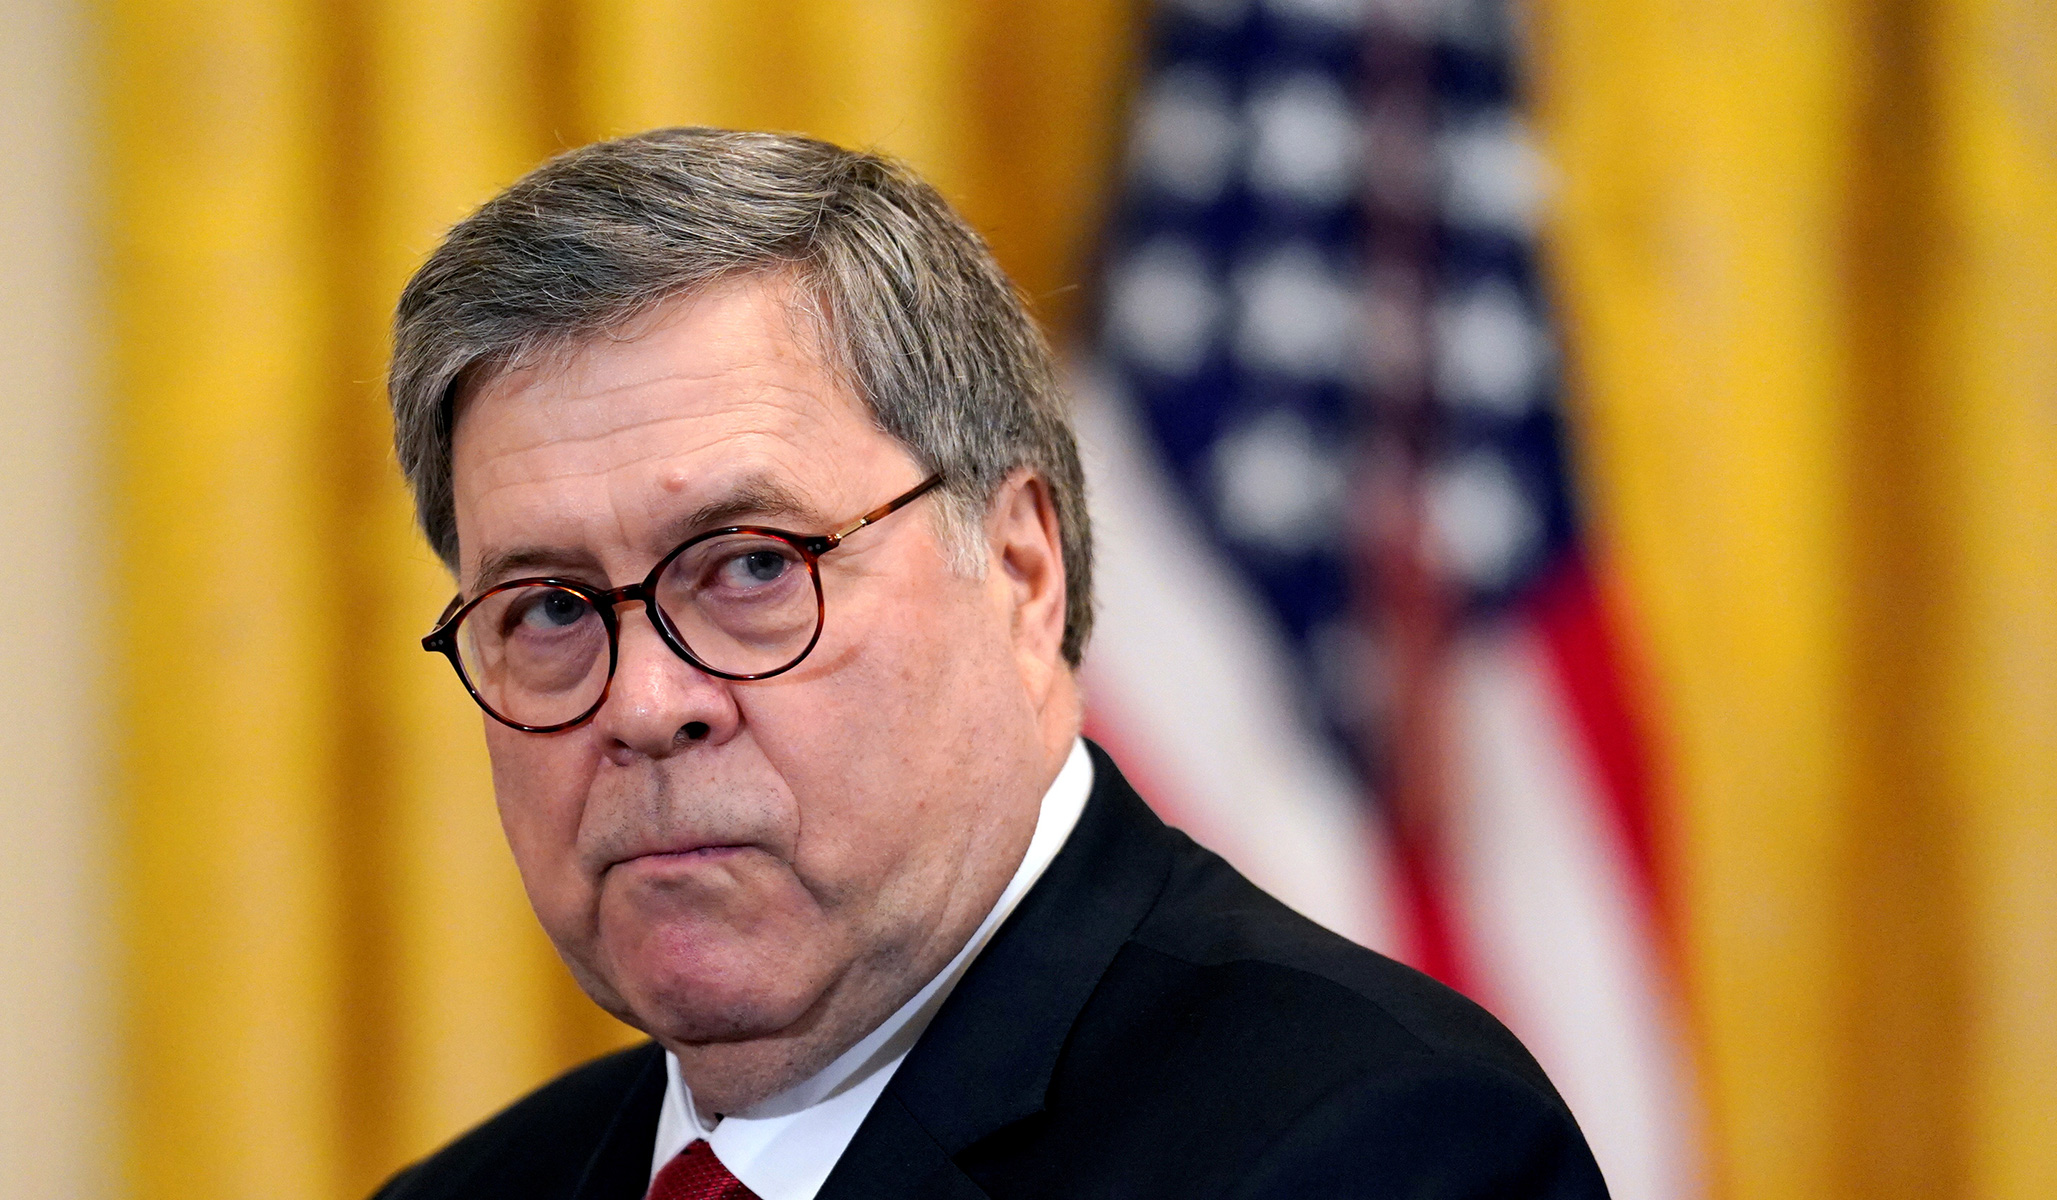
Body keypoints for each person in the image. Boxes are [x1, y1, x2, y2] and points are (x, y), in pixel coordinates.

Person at [373, 128, 1608, 1200]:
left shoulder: (1374, 1154)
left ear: (1022, 572)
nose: (645, 702)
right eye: (549, 608)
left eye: (750, 567)